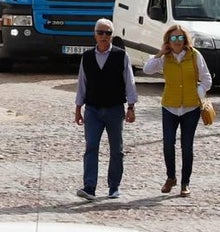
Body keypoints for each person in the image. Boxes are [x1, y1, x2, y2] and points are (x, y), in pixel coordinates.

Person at [142, 23, 212, 197]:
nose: (177, 41)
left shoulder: (194, 56)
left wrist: (199, 92)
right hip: (170, 107)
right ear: (168, 41)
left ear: (185, 40)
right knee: (168, 144)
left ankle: (185, 183)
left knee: (187, 146)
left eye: (180, 38)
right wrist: (159, 53)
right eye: (173, 38)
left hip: (191, 107)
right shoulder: (164, 58)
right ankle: (170, 177)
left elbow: (207, 79)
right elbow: (147, 69)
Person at [74, 17, 137, 200]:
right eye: (101, 33)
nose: (104, 36)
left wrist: (131, 107)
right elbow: (82, 84)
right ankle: (90, 187)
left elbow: (129, 82)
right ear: (95, 35)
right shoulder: (86, 57)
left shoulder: (121, 56)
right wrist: (78, 109)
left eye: (108, 33)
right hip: (92, 109)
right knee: (91, 146)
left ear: (112, 35)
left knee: (116, 149)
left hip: (115, 109)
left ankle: (114, 186)